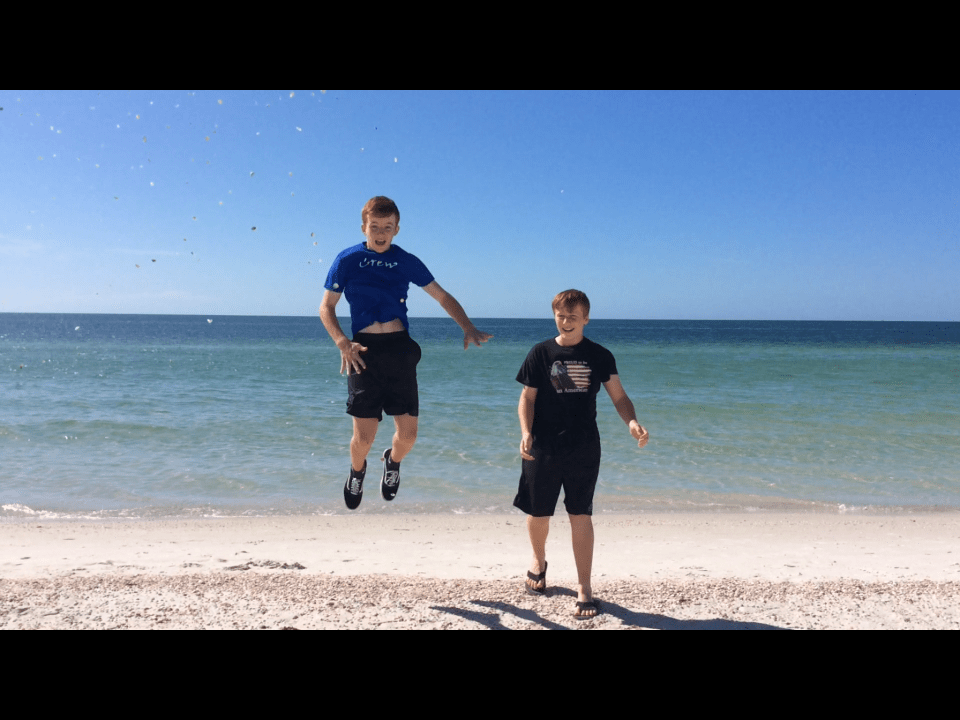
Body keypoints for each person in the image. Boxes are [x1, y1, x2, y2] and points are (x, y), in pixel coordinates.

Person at [320, 196, 492, 510]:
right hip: (363, 352)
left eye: (388, 227)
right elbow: (326, 308)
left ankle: (392, 460)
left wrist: (467, 326)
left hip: (400, 351)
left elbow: (442, 296)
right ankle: (357, 470)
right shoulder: (347, 260)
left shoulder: (406, 260)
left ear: (397, 228)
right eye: (375, 227)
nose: (381, 232)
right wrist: (342, 343)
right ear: (364, 227)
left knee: (408, 437)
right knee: (363, 440)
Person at [515, 289, 649, 619]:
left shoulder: (599, 355)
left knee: (581, 515)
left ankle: (584, 586)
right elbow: (527, 398)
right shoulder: (540, 353)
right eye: (560, 316)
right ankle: (538, 559)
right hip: (543, 445)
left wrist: (631, 421)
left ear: (585, 319)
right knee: (538, 512)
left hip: (583, 446)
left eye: (572, 317)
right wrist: (526, 431)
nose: (565, 322)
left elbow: (619, 397)